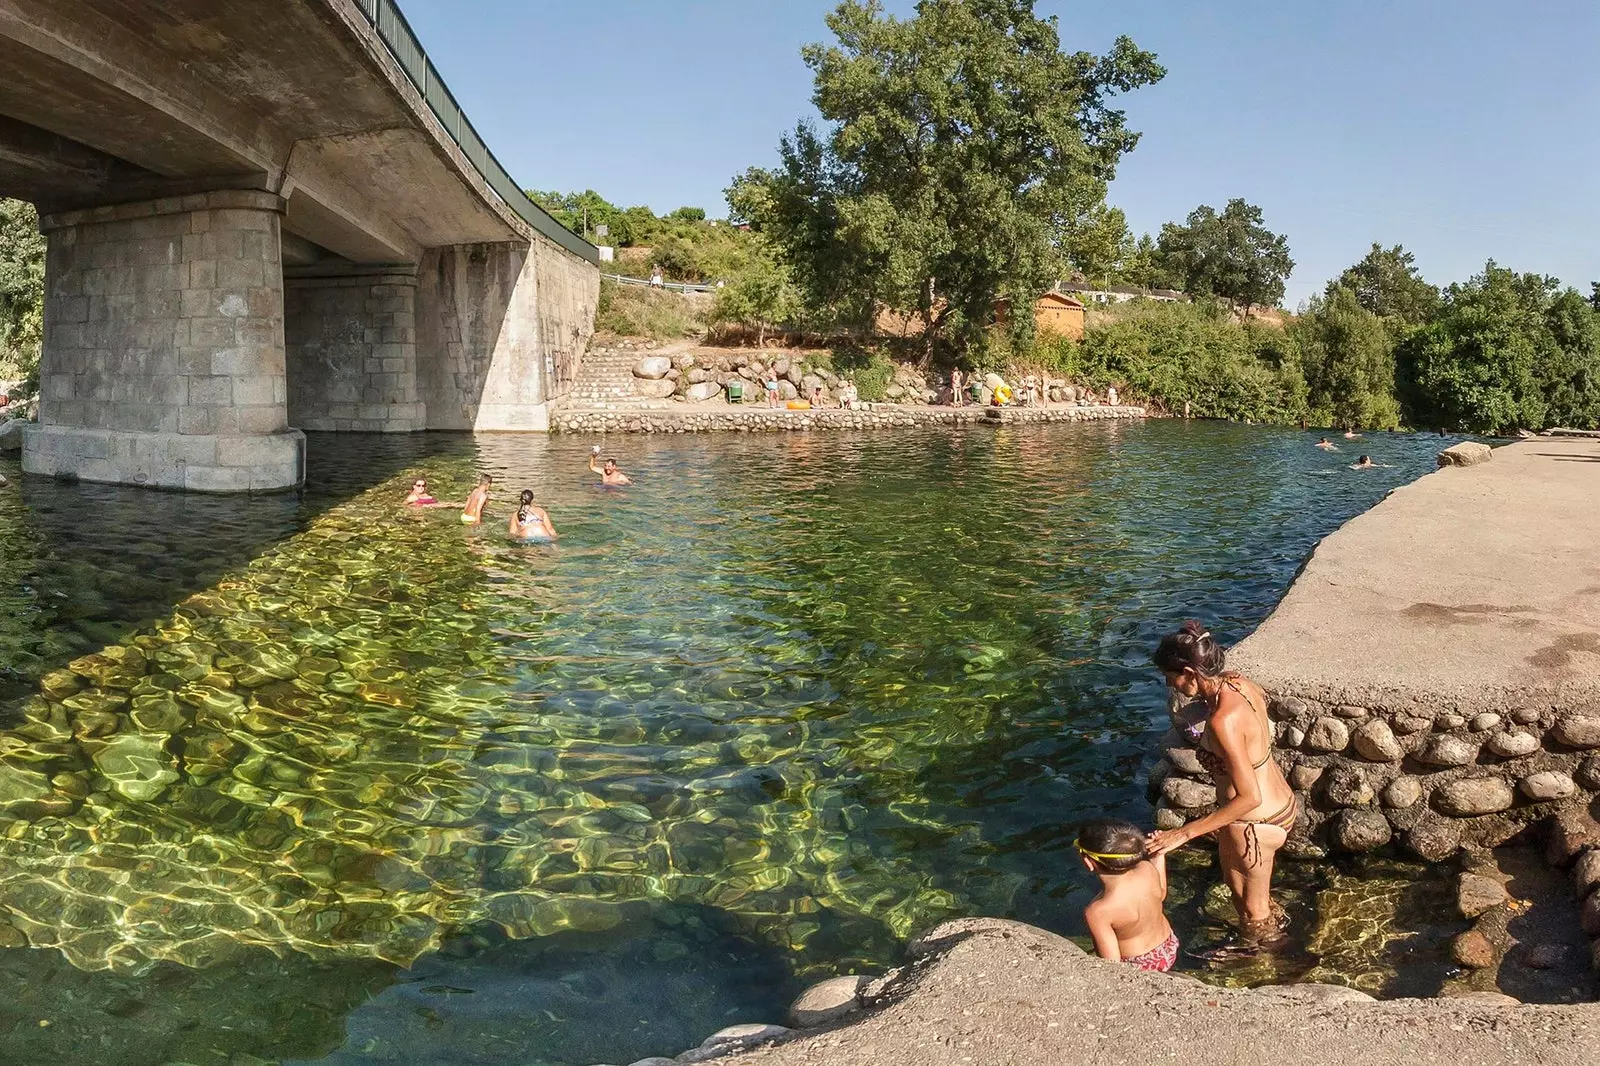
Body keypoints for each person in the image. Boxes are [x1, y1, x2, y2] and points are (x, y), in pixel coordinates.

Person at [1146, 621, 1296, 951]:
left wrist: (1182, 834)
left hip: (1254, 823)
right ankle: (1274, 930)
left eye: (1171, 678)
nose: (1170, 685)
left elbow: (1247, 797)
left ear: (1189, 671)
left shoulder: (1222, 720)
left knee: (1250, 912)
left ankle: (1263, 967)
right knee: (1249, 894)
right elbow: (1251, 739)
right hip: (1278, 803)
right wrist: (1221, 758)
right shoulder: (1239, 683)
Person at [1077, 819, 1177, 972]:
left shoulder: (1098, 911)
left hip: (1140, 964)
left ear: (1088, 862)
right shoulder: (1146, 868)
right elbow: (1160, 895)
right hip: (1168, 945)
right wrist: (1158, 855)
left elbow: (1112, 963)